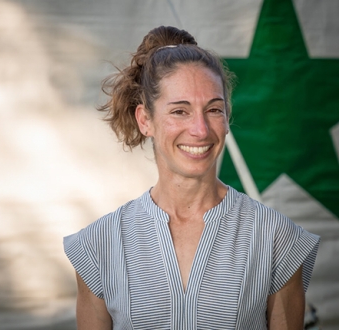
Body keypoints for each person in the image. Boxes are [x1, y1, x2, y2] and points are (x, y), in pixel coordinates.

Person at [63, 26, 320, 330]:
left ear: (226, 119)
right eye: (180, 111)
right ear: (145, 119)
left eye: (213, 109)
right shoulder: (98, 245)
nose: (200, 129)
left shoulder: (277, 238)